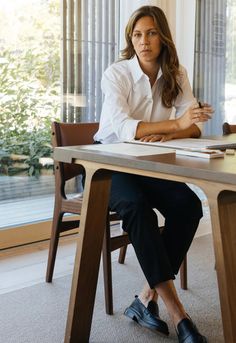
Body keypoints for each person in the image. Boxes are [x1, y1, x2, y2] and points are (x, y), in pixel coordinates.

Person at [94, 5, 213, 343]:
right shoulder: (116, 73)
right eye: (136, 35)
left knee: (189, 206)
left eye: (150, 33)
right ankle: (180, 316)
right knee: (136, 208)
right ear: (131, 40)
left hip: (149, 165)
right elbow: (123, 128)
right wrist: (176, 123)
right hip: (111, 165)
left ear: (162, 37)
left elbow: (194, 129)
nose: (143, 41)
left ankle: (146, 297)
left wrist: (172, 132)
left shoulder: (177, 74)